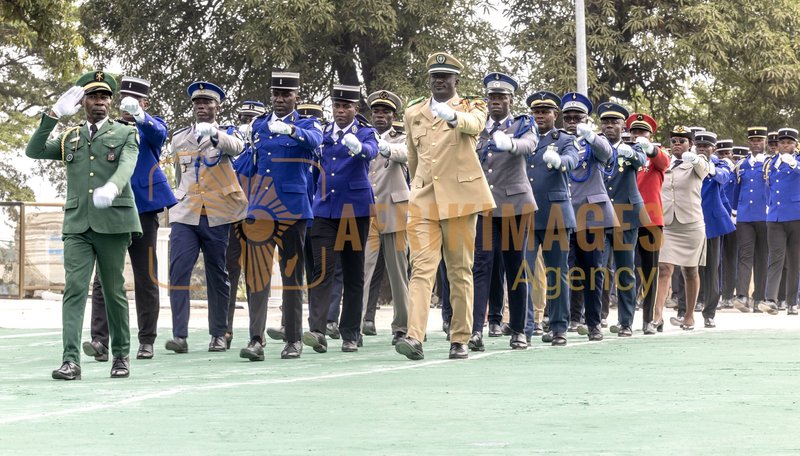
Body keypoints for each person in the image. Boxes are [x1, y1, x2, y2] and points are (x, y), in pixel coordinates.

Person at [26, 71, 142, 379]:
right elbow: (33, 150)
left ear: (110, 101)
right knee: (74, 290)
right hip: (78, 224)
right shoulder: (70, 137)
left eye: (104, 96)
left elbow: (127, 163)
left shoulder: (126, 133)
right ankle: (71, 361)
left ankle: (120, 356)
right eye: (93, 96)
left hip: (113, 222)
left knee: (114, 290)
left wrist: (114, 187)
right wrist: (52, 115)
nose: (99, 102)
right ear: (83, 102)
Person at [395, 52, 494, 360]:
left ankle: (460, 337)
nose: (439, 81)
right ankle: (414, 337)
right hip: (424, 200)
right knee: (421, 269)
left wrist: (451, 116)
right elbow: (412, 156)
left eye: (445, 77)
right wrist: (416, 190)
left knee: (459, 270)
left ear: (456, 81)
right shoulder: (414, 112)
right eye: (434, 77)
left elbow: (475, 125)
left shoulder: (472, 106)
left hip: (460, 201)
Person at [83, 76, 177, 362]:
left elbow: (160, 133)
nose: (127, 106)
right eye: (125, 101)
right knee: (104, 277)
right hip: (112, 209)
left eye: (135, 102)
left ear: (144, 103)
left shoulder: (149, 126)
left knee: (145, 275)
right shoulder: (108, 128)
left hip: (143, 209)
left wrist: (139, 114)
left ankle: (146, 340)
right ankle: (100, 340)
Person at [238, 71, 323, 360]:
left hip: (293, 210)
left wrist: (291, 132)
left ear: (296, 96)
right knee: (257, 276)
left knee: (291, 276)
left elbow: (313, 141)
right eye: (276, 93)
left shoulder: (308, 124)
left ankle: (293, 339)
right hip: (261, 208)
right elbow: (250, 164)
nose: (280, 98)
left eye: (286, 94)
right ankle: (255, 339)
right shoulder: (259, 126)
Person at [165, 81, 247, 353]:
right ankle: (179, 335)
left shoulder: (227, 134)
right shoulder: (179, 137)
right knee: (178, 272)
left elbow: (238, 148)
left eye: (207, 103)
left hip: (217, 214)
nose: (202, 107)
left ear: (217, 107)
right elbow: (180, 174)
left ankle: (219, 333)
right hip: (186, 213)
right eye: (198, 103)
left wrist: (214, 135)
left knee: (217, 273)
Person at [303, 83, 378, 354]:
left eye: (346, 106)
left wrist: (358, 147)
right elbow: (315, 173)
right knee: (321, 270)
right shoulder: (322, 133)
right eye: (337, 106)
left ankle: (350, 332)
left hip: (354, 210)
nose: (341, 111)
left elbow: (371, 151)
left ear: (355, 109)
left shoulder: (366, 132)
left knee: (353, 272)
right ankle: (318, 330)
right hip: (325, 210)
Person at [469, 72, 537, 351]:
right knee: (481, 266)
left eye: (501, 97)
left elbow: (530, 144)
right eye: (492, 97)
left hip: (514, 206)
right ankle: (475, 330)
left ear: (510, 100)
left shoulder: (522, 124)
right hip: (485, 205)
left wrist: (510, 144)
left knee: (515, 266)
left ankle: (519, 329)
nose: (496, 102)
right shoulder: (478, 127)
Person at [561, 92, 617, 341]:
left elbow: (607, 154)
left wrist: (591, 135)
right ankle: (567, 320)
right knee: (563, 270)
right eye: (568, 117)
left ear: (586, 119)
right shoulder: (557, 141)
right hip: (562, 212)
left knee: (593, 269)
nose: (573, 121)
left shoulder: (594, 142)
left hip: (591, 214)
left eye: (578, 117)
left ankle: (594, 322)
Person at [524, 91, 579, 346]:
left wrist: (559, 162)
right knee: (523, 271)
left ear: (554, 115)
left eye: (545, 112)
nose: (540, 116)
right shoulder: (524, 138)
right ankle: (523, 328)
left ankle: (558, 327)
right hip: (526, 213)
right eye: (536, 112)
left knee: (557, 273)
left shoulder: (564, 139)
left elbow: (573, 159)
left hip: (555, 213)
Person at [362, 89, 411, 346]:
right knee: (363, 269)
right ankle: (357, 325)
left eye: (386, 112)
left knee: (398, 270)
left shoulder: (403, 136)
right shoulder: (362, 136)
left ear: (394, 116)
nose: (381, 116)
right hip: (366, 210)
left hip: (394, 208)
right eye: (377, 112)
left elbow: (408, 154)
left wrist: (388, 148)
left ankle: (402, 326)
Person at [598, 102, 649, 337]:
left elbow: (642, 161)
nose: (610, 126)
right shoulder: (594, 147)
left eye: (615, 122)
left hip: (626, 215)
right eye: (606, 122)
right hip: (598, 215)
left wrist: (630, 152)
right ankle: (597, 318)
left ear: (623, 127)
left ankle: (626, 321)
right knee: (598, 268)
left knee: (624, 269)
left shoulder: (632, 148)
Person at [653, 126, 710, 331]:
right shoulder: (664, 163)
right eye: (674, 141)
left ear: (690, 144)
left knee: (690, 271)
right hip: (668, 223)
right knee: (664, 268)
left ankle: (688, 315)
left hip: (691, 224)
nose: (677, 144)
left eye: (682, 141)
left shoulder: (696, 163)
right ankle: (657, 316)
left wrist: (694, 158)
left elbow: (705, 168)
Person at [225, 100, 267, 348]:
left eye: (253, 118)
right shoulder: (227, 140)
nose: (247, 122)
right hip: (230, 216)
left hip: (259, 215)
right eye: (244, 117)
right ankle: (224, 331)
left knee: (256, 276)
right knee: (228, 274)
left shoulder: (266, 142)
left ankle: (257, 334)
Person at [628, 113, 668, 334]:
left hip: (651, 220)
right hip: (627, 218)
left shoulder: (656, 156)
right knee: (627, 268)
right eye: (634, 132)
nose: (637, 136)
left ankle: (649, 320)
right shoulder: (624, 155)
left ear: (650, 135)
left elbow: (663, 161)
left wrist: (650, 148)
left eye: (642, 132)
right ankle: (626, 319)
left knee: (649, 271)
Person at [695, 131, 735, 328]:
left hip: (711, 222)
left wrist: (709, 168)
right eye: (699, 146)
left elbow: (723, 177)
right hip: (690, 221)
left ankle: (709, 312)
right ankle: (686, 307)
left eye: (706, 146)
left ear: (714, 149)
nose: (702, 149)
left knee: (711, 268)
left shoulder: (721, 164)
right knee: (689, 267)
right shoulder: (688, 163)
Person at [731, 127, 772, 313]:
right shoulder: (741, 164)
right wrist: (733, 211)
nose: (756, 143)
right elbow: (736, 190)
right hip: (745, 215)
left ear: (764, 142)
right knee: (744, 255)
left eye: (759, 140)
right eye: (753, 140)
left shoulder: (771, 163)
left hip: (765, 216)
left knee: (762, 257)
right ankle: (741, 295)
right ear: (749, 142)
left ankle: (759, 297)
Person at [763, 128, 800, 315]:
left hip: (796, 216)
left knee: (795, 261)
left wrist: (793, 164)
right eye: (782, 142)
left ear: (795, 144)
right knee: (775, 258)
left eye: (789, 142)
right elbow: (769, 187)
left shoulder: (798, 161)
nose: (785, 145)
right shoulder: (770, 163)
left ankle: (793, 302)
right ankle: (771, 299)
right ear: (777, 145)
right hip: (775, 216)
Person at [715, 139, 738, 308]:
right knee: (717, 258)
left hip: (734, 218)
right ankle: (717, 292)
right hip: (717, 217)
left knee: (730, 257)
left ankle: (728, 295)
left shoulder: (737, 169)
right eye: (721, 153)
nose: (724, 156)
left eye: (727, 153)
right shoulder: (717, 168)